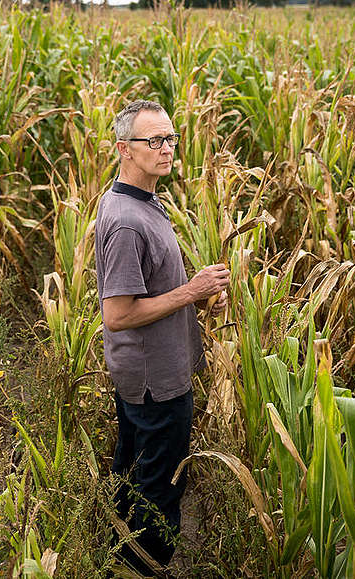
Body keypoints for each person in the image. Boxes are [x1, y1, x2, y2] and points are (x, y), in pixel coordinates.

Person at [95, 99, 229, 576]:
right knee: (160, 493)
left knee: (132, 477)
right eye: (153, 141)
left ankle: (114, 559)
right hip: (157, 383)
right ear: (123, 150)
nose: (166, 148)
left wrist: (196, 295)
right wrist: (190, 290)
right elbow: (118, 313)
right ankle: (142, 568)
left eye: (170, 138)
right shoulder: (128, 221)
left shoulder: (140, 200)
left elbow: (150, 288)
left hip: (147, 374)